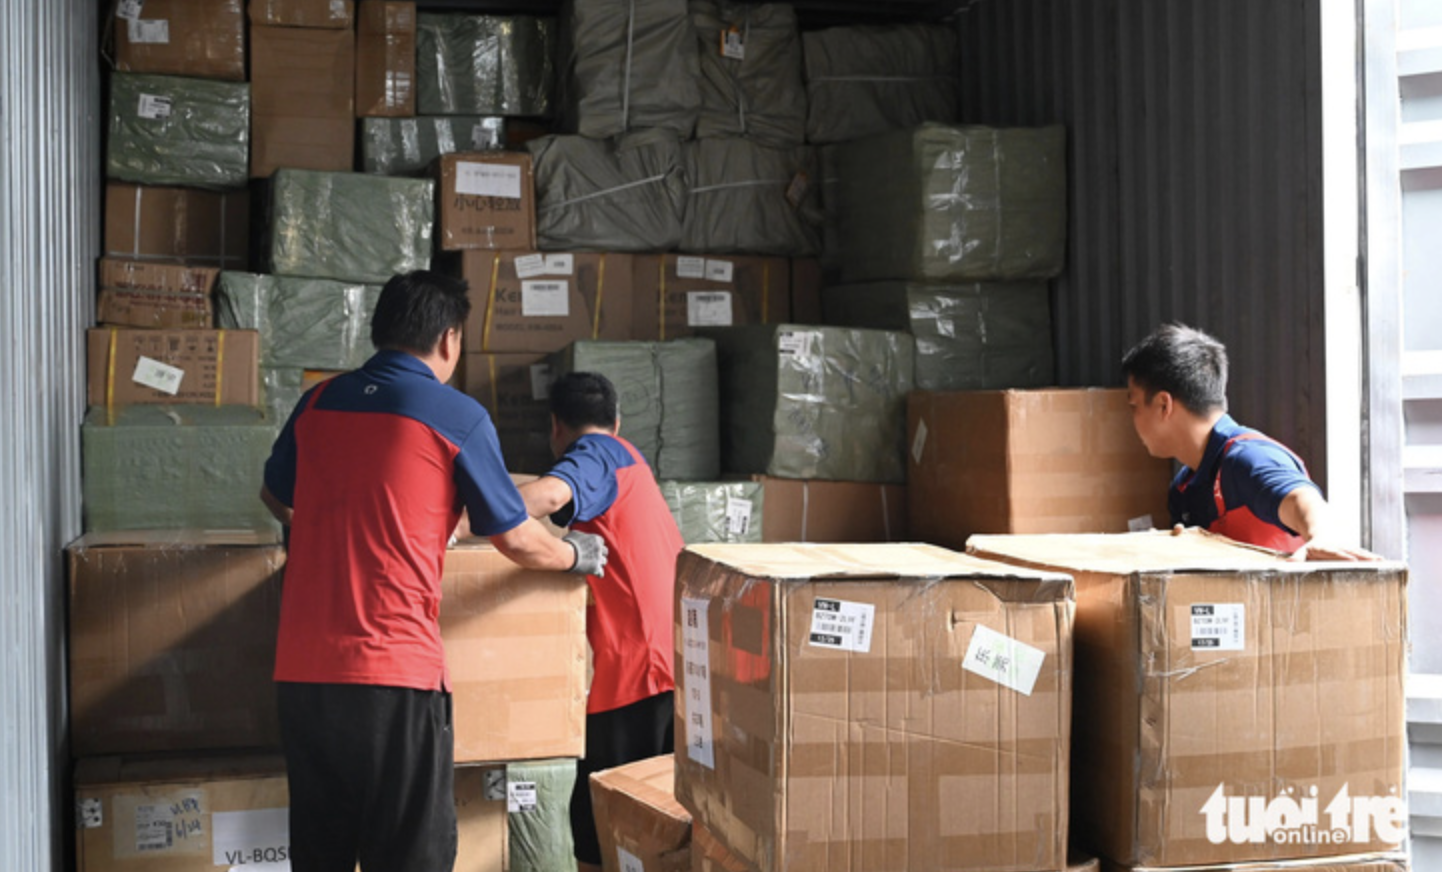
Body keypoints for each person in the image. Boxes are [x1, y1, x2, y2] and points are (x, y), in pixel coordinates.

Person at [258, 270, 608, 872]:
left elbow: (274, 496)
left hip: (302, 673)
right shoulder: (455, 414)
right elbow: (517, 538)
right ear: (449, 339)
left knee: (321, 853)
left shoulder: (316, 403)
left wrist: (344, 521)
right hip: (393, 675)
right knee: (412, 854)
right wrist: (576, 554)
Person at [513, 372, 684, 872]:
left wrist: (461, 518)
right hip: (661, 664)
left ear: (555, 428)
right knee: (645, 829)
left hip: (636, 672)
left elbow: (545, 497)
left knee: (611, 830)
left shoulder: (596, 455)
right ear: (617, 419)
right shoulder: (625, 458)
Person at [1121, 322, 1376, 560]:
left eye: (1133, 405)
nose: (1131, 418)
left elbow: (1301, 499)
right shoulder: (1183, 490)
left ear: (1164, 404)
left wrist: (1323, 536)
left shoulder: (1249, 458)